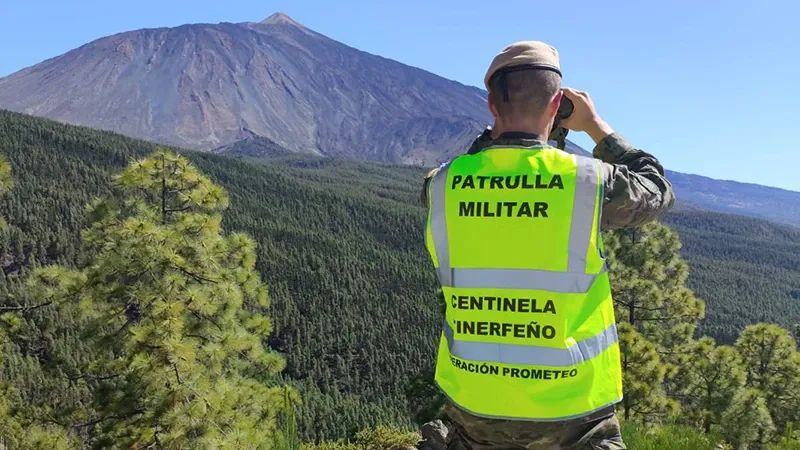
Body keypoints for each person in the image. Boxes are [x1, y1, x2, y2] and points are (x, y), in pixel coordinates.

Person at [420, 41, 675, 450]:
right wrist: (596, 128)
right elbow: (656, 189)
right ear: (557, 104)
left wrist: (498, 138)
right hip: (573, 414)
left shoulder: (440, 185)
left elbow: (476, 165)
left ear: (490, 105)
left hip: (474, 405)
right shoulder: (590, 182)